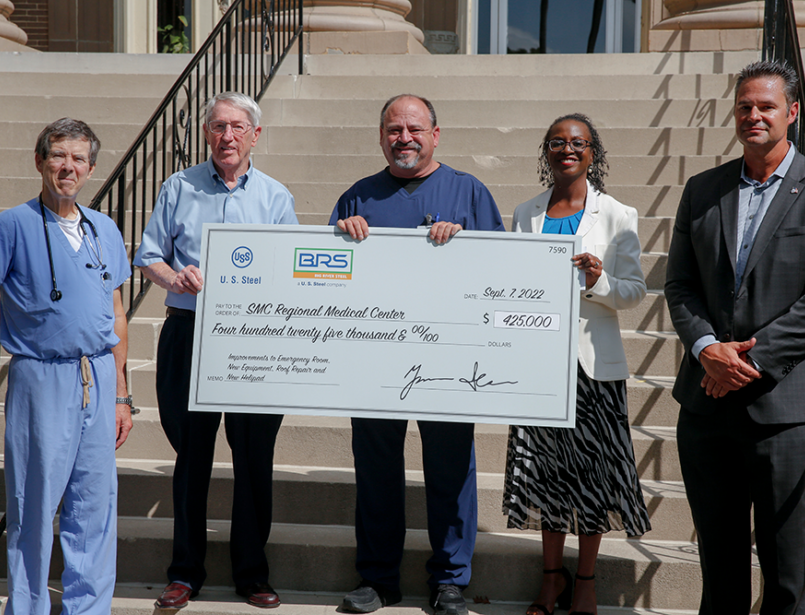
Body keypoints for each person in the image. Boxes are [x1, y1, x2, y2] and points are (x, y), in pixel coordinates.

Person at [664, 60, 805, 615]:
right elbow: (680, 284)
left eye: (766, 106)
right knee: (720, 564)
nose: (753, 115)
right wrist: (708, 350)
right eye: (744, 106)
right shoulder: (703, 190)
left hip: (784, 403)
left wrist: (748, 361)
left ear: (792, 113)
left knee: (785, 568)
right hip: (706, 402)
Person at [330, 94, 504, 615]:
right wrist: (340, 240)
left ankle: (450, 580)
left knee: (451, 471)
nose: (403, 138)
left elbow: (503, 270)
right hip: (375, 360)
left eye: (414, 129)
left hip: (450, 361)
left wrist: (466, 243)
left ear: (435, 134)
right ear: (380, 135)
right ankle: (378, 579)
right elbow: (324, 282)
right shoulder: (357, 198)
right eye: (393, 129)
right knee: (376, 471)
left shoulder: (468, 191)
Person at [0, 118, 132, 615]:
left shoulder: (104, 229)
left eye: (79, 158)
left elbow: (116, 314)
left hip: (98, 378)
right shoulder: (11, 225)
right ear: (40, 161)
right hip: (42, 378)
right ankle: (29, 606)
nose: (68, 167)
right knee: (34, 504)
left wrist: (121, 393)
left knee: (94, 506)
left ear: (92, 168)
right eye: (58, 156)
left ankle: (88, 608)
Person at [134, 91, 298, 609]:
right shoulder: (178, 186)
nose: (227, 136)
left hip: (254, 339)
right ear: (207, 133)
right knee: (192, 456)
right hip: (190, 331)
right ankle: (185, 572)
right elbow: (148, 254)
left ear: (255, 135)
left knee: (254, 457)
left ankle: (252, 574)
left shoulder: (275, 196)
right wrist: (175, 277)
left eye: (237, 127)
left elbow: (292, 268)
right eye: (218, 126)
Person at [502, 114, 651, 615]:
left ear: (593, 153)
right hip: (540, 366)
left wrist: (597, 280)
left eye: (579, 143)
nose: (568, 149)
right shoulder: (525, 213)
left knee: (592, 477)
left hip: (594, 370)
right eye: (558, 143)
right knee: (544, 475)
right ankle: (551, 581)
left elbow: (635, 293)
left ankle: (583, 582)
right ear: (546, 152)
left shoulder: (616, 214)